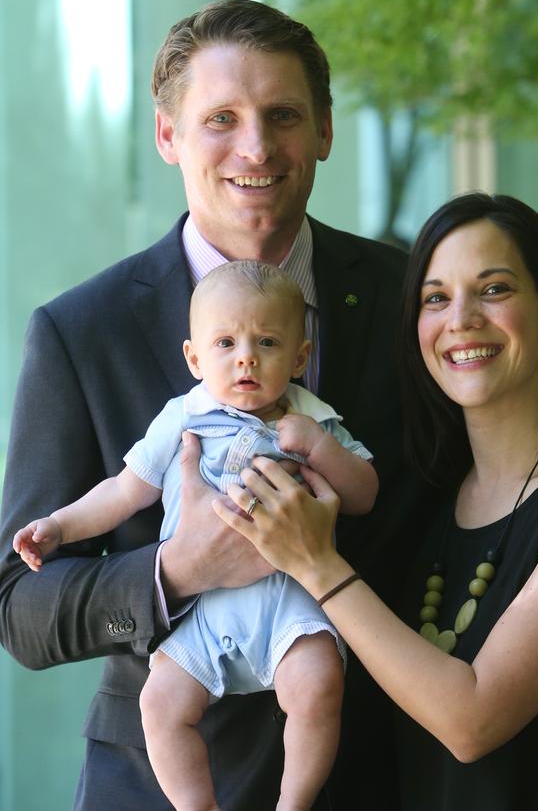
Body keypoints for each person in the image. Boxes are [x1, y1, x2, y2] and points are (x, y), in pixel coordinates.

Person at [0, 0, 538, 811]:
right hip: (160, 786)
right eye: (221, 119)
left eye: (283, 116)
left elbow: (522, 510)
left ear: (326, 133)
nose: (256, 147)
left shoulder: (414, 298)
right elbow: (19, 606)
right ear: (168, 137)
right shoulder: (80, 331)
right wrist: (176, 571)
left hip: (386, 775)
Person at [217, 192, 538, 811]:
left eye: (494, 289)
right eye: (435, 298)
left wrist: (315, 563)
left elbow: (471, 721)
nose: (462, 319)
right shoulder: (424, 495)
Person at [12, 260, 378, 811]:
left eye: (268, 342)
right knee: (159, 702)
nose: (246, 357)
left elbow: (365, 492)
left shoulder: (315, 420)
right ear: (195, 357)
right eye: (226, 342)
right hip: (202, 616)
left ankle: (294, 802)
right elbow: (122, 492)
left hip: (289, 603)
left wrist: (321, 449)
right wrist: (59, 526)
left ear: (300, 357)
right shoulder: (182, 418)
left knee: (320, 682)